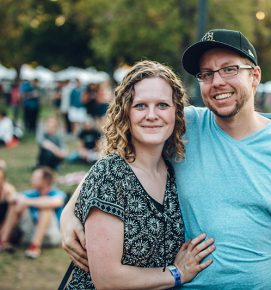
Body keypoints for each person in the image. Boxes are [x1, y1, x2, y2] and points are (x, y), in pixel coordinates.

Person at [61, 29, 271, 289]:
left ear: (255, 75)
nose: (217, 81)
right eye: (206, 74)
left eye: (229, 69)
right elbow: (118, 163)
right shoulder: (185, 126)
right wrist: (70, 213)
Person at [64, 60, 216, 289]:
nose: (152, 115)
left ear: (177, 112)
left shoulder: (174, 170)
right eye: (141, 106)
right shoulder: (111, 173)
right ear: (125, 112)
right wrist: (176, 274)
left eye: (162, 105)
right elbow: (106, 279)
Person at [0, 167, 66, 258]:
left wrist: (27, 201)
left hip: (51, 236)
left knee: (46, 208)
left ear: (45, 181)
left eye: (35, 178)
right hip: (31, 231)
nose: (31, 179)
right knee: (15, 205)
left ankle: (35, 247)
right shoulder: (32, 193)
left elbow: (57, 202)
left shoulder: (57, 193)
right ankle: (3, 241)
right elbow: (14, 198)